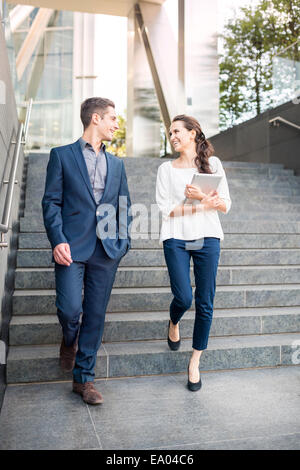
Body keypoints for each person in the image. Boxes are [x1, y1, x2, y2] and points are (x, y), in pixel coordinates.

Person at [42, 97, 131, 405]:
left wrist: (122, 242)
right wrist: (57, 240)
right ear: (95, 118)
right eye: (113, 119)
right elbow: (51, 202)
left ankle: (84, 380)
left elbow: (123, 206)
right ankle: (69, 340)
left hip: (106, 249)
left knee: (95, 314)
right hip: (71, 246)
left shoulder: (117, 164)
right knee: (69, 310)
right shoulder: (61, 156)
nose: (117, 124)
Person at [156, 115, 231, 392]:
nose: (172, 135)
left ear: (192, 134)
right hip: (175, 236)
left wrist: (201, 198)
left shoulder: (213, 165)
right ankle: (174, 319)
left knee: (205, 301)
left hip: (208, 236)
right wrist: (199, 203)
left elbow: (225, 206)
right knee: (184, 297)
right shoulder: (166, 169)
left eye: (177, 131)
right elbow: (166, 210)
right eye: (170, 132)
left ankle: (195, 362)